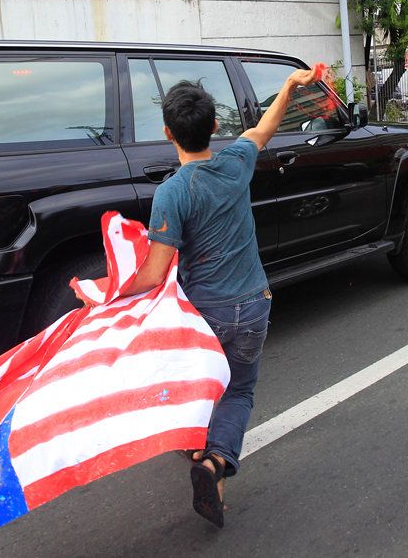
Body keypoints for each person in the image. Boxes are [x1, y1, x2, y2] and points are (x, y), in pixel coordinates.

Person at [105, 66, 320, 527]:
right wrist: (288, 85)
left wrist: (105, 294)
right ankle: (214, 466)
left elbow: (154, 272)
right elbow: (264, 128)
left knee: (207, 388)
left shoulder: (172, 193)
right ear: (215, 127)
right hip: (254, 302)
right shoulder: (237, 161)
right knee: (239, 390)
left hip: (206, 315)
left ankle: (205, 454)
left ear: (168, 132)